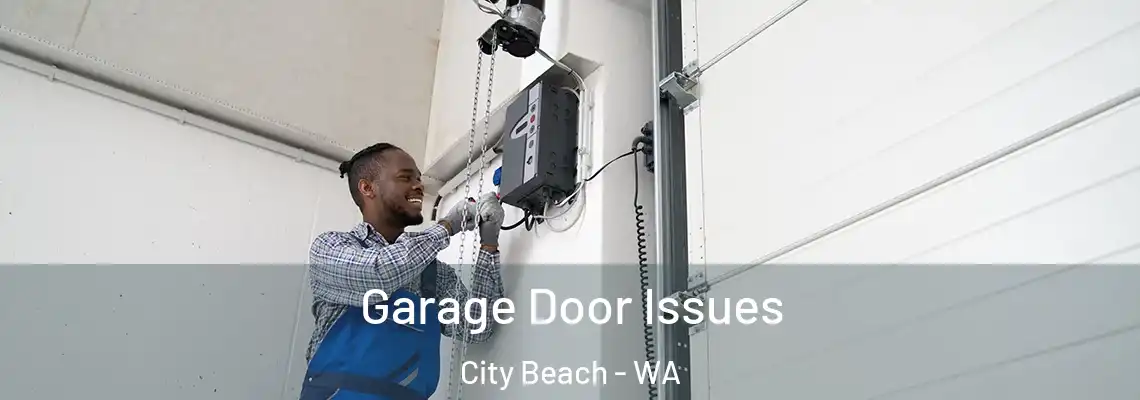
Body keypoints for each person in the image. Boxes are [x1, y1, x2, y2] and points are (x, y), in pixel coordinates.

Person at [299, 142, 506, 400]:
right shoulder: (330, 248)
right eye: (405, 178)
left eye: (419, 178)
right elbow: (379, 275)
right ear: (367, 188)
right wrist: (446, 227)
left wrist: (489, 245)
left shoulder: (432, 273)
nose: (419, 185)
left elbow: (478, 325)